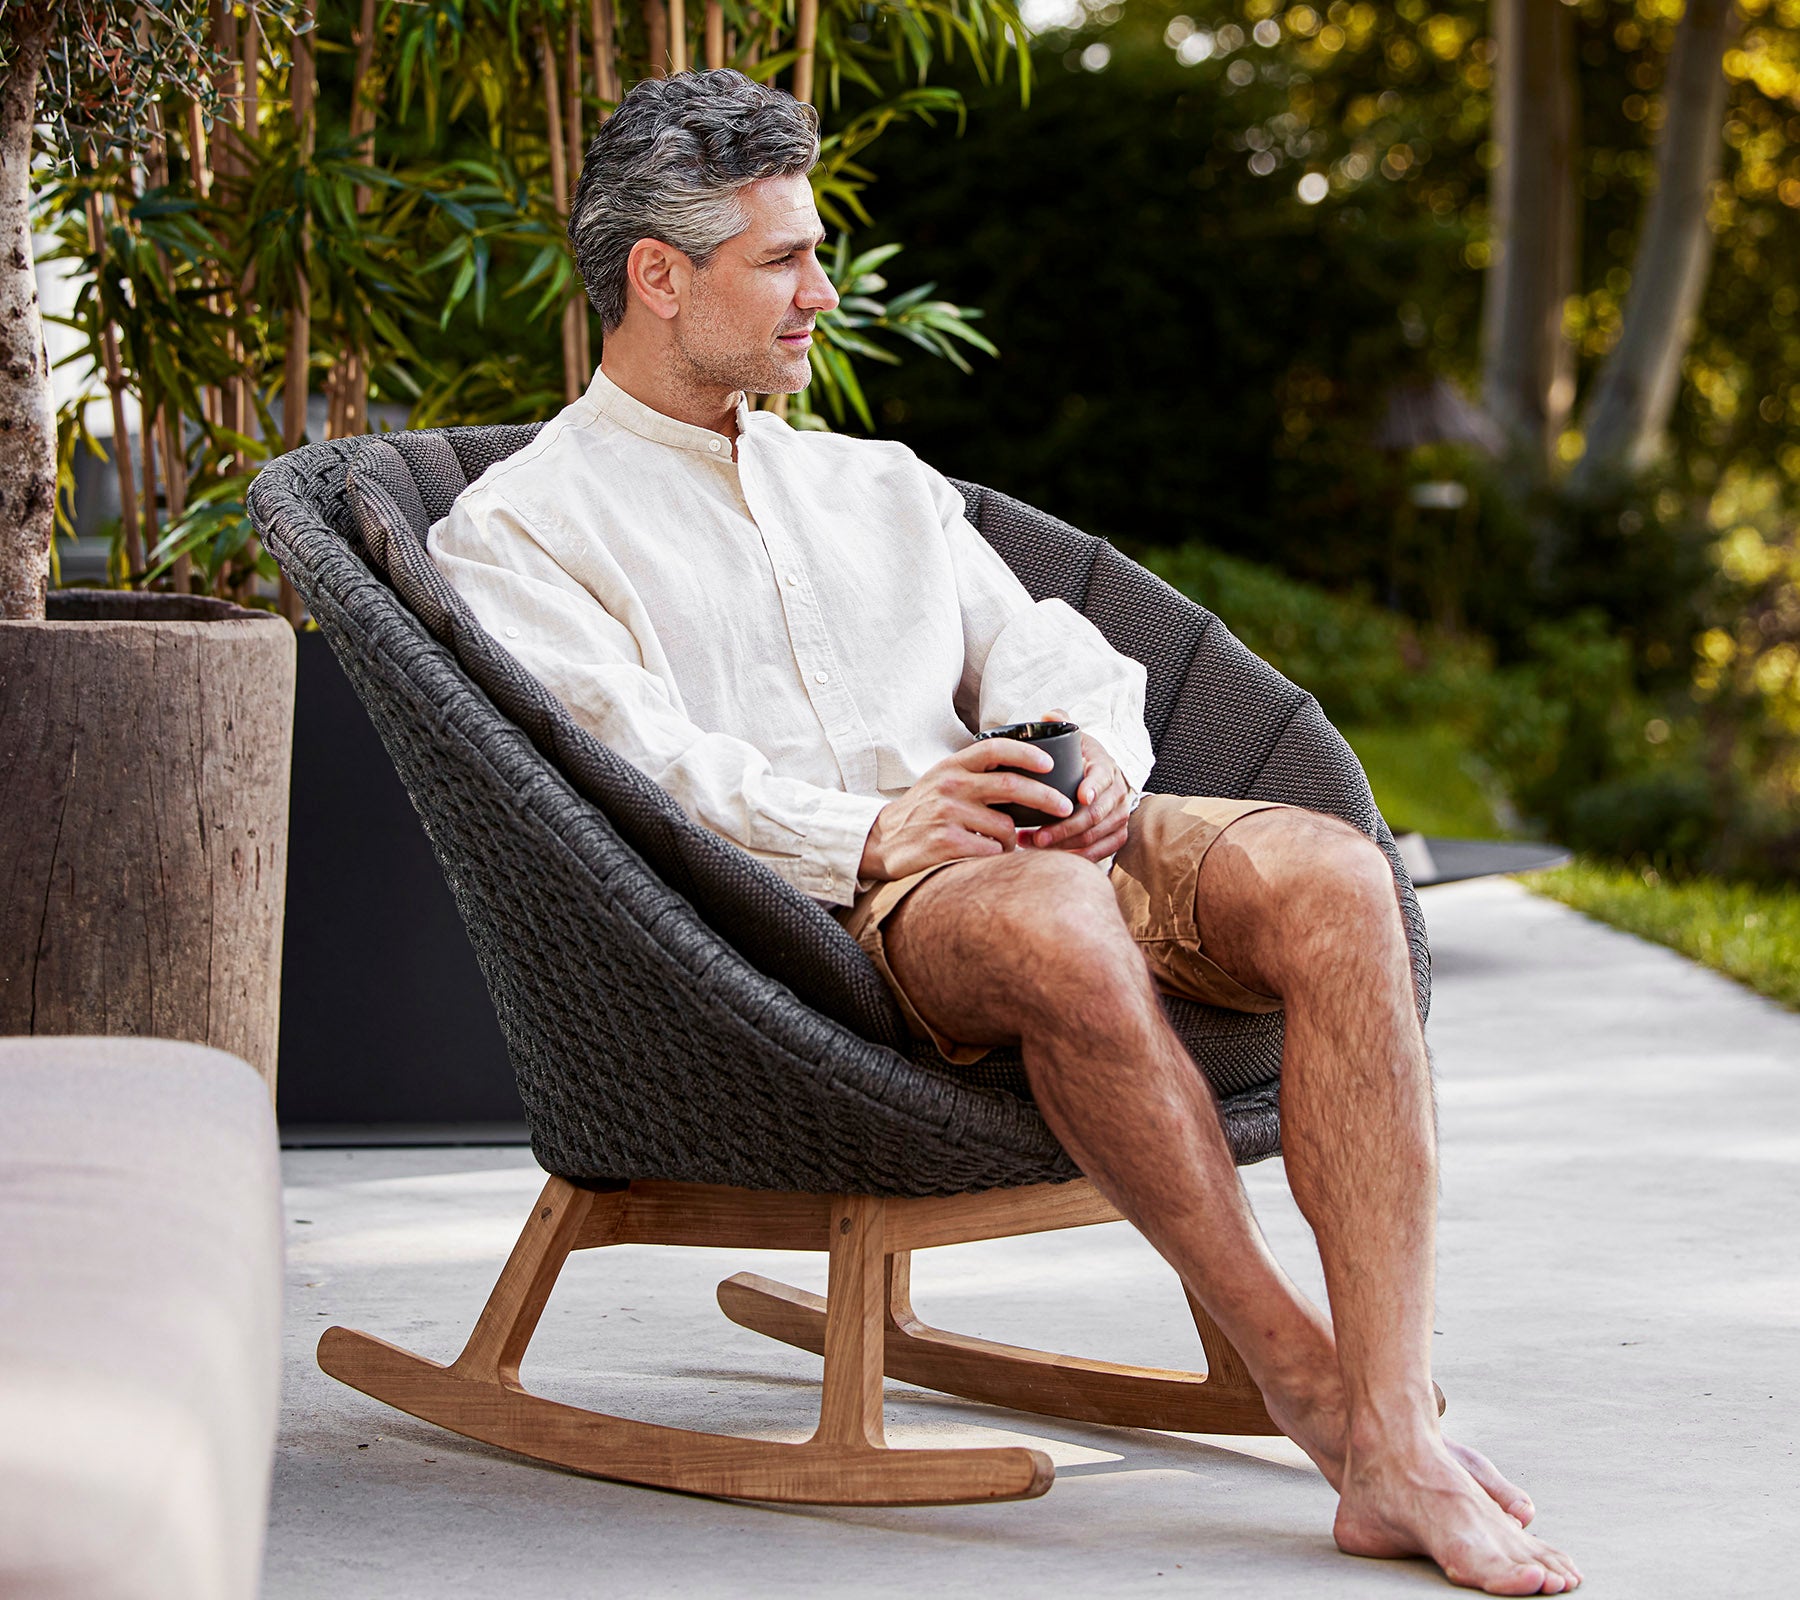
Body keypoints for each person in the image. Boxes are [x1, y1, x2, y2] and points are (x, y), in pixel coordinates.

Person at [425, 68, 1581, 1597]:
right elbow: (637, 768)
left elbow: (1045, 639)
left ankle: (1394, 1416)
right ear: (658, 277)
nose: (821, 295)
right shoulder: (521, 528)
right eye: (782, 260)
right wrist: (882, 822)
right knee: (1053, 919)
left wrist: (1090, 750)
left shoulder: (873, 481)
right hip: (848, 911)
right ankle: (1315, 1396)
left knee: (1336, 877)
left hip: (1034, 828)